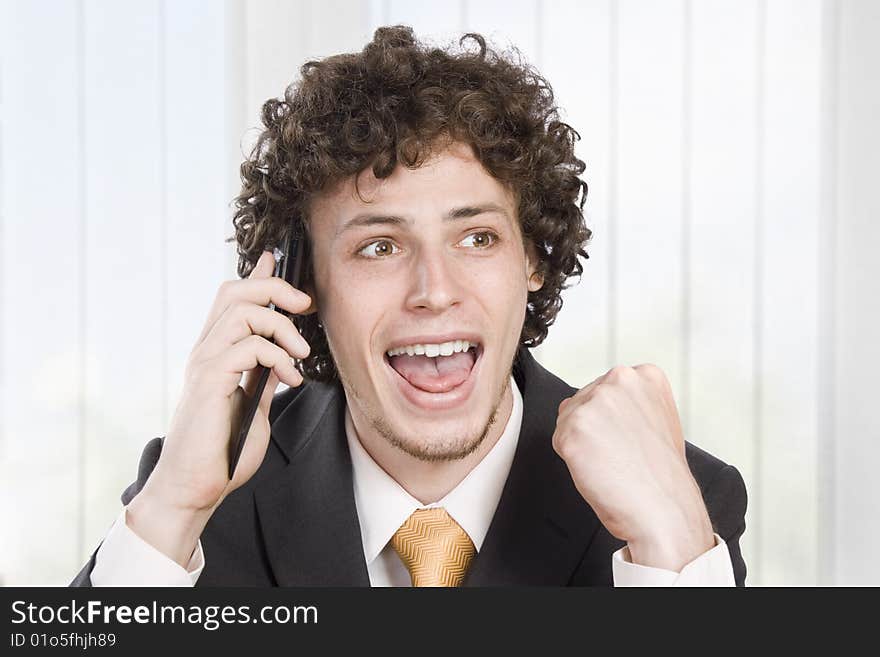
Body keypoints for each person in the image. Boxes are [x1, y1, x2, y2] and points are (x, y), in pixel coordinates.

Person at [71, 26, 746, 587]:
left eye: (477, 237)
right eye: (380, 247)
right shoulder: (209, 498)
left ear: (532, 259)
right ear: (304, 284)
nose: (434, 289)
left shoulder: (680, 501)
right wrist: (173, 508)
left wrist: (677, 552)